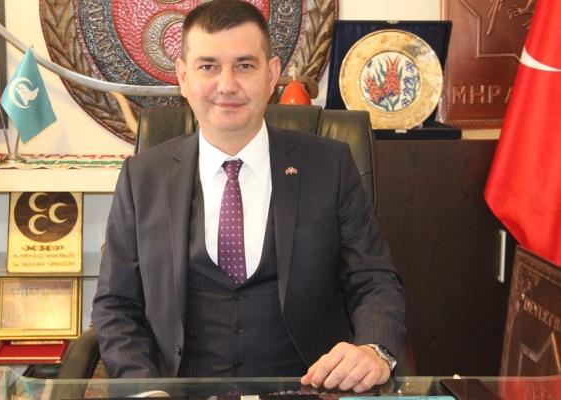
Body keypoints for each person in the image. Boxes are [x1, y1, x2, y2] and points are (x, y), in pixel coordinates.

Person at [92, 0, 406, 393]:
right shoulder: (142, 177)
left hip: (308, 388)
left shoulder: (329, 165)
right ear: (183, 77)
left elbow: (374, 279)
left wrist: (374, 349)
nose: (227, 85)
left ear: (271, 74)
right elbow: (116, 306)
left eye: (244, 65)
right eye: (208, 66)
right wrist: (145, 389)